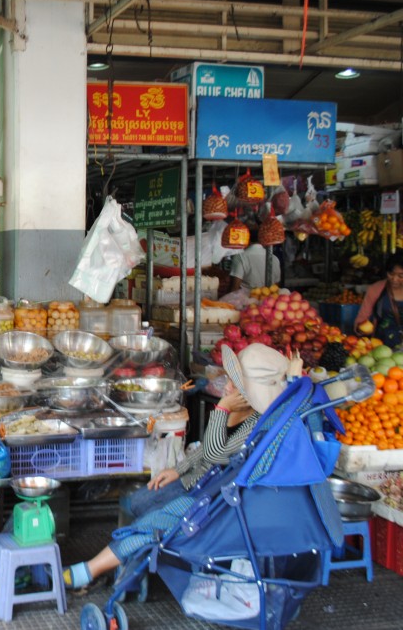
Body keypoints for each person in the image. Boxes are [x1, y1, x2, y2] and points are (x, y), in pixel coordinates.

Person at [63, 344, 300, 590]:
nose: (227, 387)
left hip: (209, 496)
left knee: (148, 519)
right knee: (138, 503)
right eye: (229, 380)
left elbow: (214, 452)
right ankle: (136, 563)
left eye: (235, 385)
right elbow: (202, 452)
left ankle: (108, 568)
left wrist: (222, 409)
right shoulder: (236, 411)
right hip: (196, 480)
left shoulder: (253, 424)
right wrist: (179, 468)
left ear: (248, 394)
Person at [355, 252, 403, 346]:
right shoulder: (376, 289)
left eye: (401, 276)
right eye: (391, 274)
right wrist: (362, 329)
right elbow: (362, 318)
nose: (394, 279)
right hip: (380, 346)